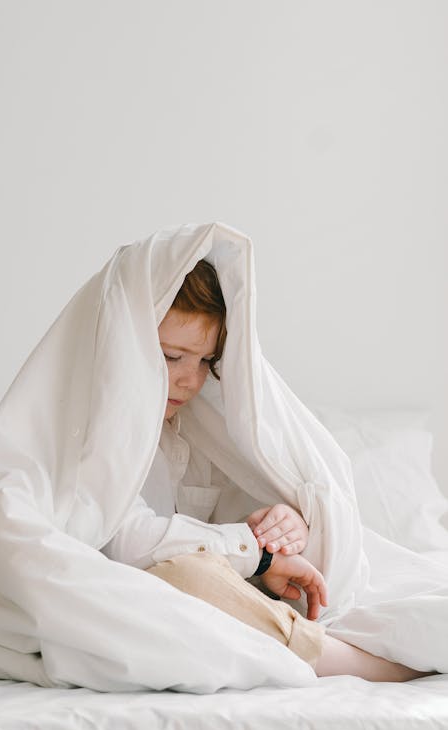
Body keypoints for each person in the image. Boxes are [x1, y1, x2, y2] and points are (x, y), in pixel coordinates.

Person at [101, 258, 428, 682]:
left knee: (196, 576)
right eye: (172, 357)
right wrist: (254, 552)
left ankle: (302, 641)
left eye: (206, 362)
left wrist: (277, 527)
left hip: (188, 610)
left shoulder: (191, 430)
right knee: (184, 577)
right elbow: (122, 541)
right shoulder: (89, 428)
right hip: (117, 602)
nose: (191, 380)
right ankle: (335, 658)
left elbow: (219, 521)